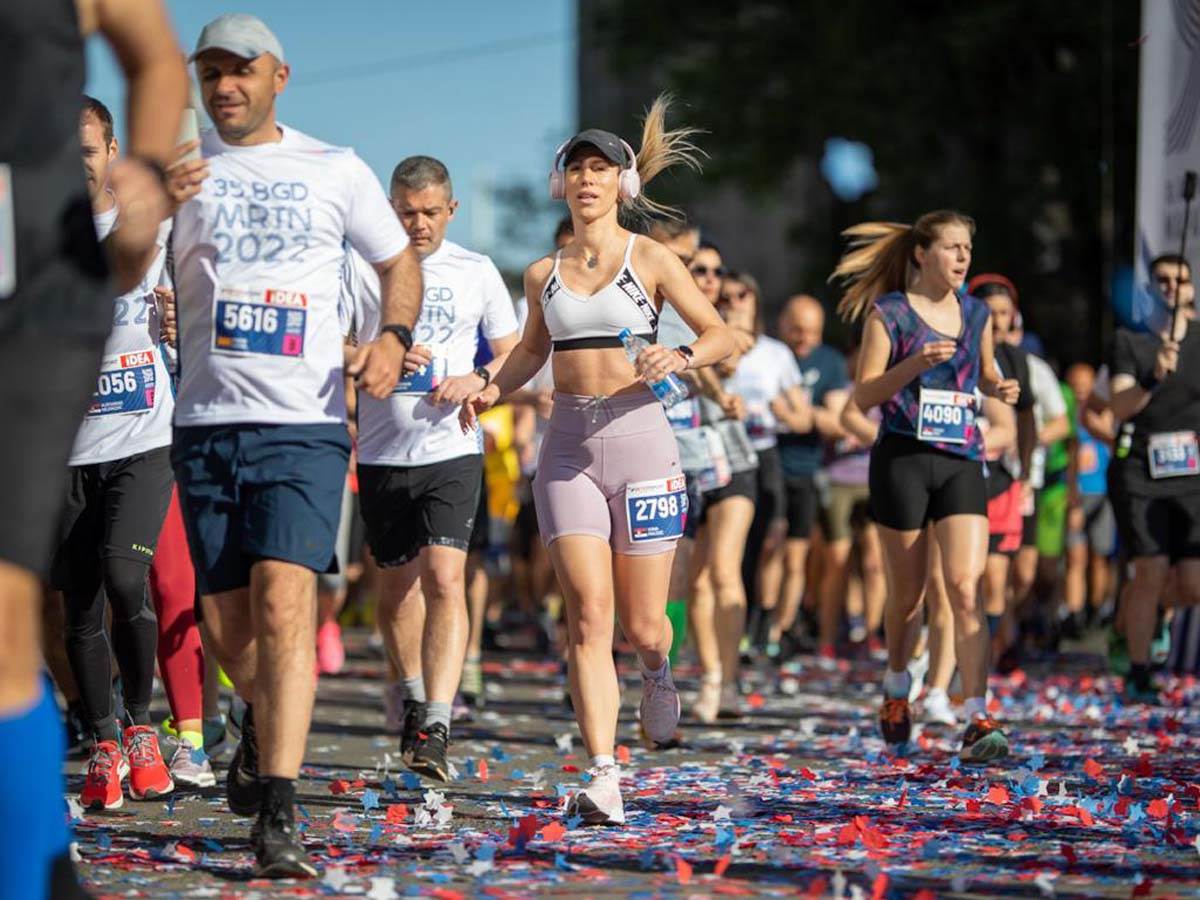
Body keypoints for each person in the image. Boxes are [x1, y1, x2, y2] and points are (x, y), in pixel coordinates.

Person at [170, 14, 422, 877]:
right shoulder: (183, 170)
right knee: (227, 629)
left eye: (241, 70)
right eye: (211, 72)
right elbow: (126, 266)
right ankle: (255, 722)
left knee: (285, 605)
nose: (225, 86)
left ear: (279, 76)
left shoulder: (334, 168)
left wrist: (391, 337)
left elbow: (398, 263)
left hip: (304, 424)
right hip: (204, 424)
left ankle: (278, 811)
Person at [460, 98, 733, 824]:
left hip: (643, 444)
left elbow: (721, 333)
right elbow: (529, 352)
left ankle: (657, 669)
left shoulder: (653, 258)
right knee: (586, 615)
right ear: (562, 184)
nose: (587, 179)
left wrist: (680, 353)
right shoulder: (540, 273)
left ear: (623, 184)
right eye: (576, 168)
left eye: (601, 169)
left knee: (643, 625)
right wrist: (489, 387)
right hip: (567, 451)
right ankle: (604, 773)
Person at [0, 1, 184, 896]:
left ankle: (127, 739)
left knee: (85, 586)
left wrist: (148, 177)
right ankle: (96, 751)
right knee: (53, 612)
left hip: (50, 324)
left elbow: (155, 58)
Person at [346, 155, 518, 780]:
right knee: (396, 591)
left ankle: (438, 723)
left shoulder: (476, 269)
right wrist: (376, 351)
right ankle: (415, 696)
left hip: (452, 449)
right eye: (406, 212)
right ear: (390, 210)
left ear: (451, 210)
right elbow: (331, 342)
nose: (418, 224)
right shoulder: (360, 267)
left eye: (429, 212)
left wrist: (480, 381)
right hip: (383, 452)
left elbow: (515, 352)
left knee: (446, 578)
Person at [831, 211, 1019, 763]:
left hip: (961, 457)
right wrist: (913, 363)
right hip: (904, 458)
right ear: (921, 254)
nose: (962, 258)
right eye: (952, 247)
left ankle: (977, 713)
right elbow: (865, 395)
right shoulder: (889, 314)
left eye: (967, 249)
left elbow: (984, 372)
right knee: (908, 596)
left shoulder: (977, 313)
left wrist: (999, 388)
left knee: (965, 587)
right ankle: (896, 689)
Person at [56, 97, 178, 811]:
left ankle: (140, 727)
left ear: (111, 151)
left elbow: (195, 315)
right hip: (63, 449)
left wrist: (181, 322)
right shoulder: (32, 239)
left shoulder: (150, 230)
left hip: (141, 439)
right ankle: (103, 741)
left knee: (126, 579)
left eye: (86, 150)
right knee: (78, 603)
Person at [1108, 254, 1200, 702]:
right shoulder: (1130, 339)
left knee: (1192, 584)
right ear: (1149, 290)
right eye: (1161, 280)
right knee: (1150, 570)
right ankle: (1139, 671)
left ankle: (1150, 614)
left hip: (1192, 476)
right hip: (1140, 471)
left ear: (1192, 290)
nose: (1170, 287)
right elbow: (1118, 405)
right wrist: (1152, 376)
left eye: (1179, 280)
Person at [688, 244, 760, 720]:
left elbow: (736, 348)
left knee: (724, 572)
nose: (711, 278)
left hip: (733, 460)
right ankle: (710, 674)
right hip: (685, 461)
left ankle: (729, 680)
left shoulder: (729, 327)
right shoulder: (670, 324)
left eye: (717, 270)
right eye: (700, 269)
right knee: (695, 582)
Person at [719, 273, 803, 662]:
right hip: (722, 453)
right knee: (733, 548)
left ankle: (762, 623)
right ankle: (732, 627)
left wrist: (781, 412)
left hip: (764, 453)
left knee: (772, 541)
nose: (735, 301)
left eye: (743, 294)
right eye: (726, 296)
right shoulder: (710, 343)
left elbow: (804, 417)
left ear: (755, 299)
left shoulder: (775, 353)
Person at [775, 295, 849, 658]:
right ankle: (758, 624)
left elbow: (838, 423)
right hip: (765, 463)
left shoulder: (830, 361)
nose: (805, 339)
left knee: (796, 556)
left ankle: (781, 630)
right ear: (782, 326)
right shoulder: (770, 356)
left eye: (813, 332)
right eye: (797, 330)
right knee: (767, 551)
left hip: (805, 468)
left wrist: (802, 413)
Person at [1062, 362, 1116, 635]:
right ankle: (1074, 614)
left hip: (1105, 494)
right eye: (1076, 387)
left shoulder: (1108, 412)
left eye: (1086, 386)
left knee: (1100, 557)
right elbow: (1072, 459)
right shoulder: (1071, 416)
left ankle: (1097, 609)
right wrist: (1073, 499)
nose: (1081, 392)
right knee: (1076, 557)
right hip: (1080, 496)